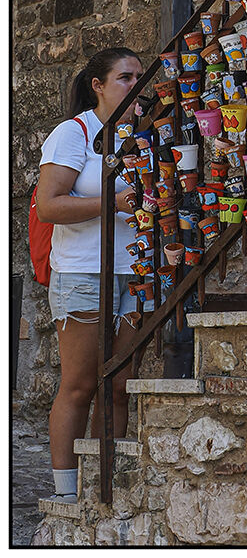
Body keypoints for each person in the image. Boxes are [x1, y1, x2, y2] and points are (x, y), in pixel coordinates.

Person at [36, 47, 144, 502]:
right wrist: (112, 204)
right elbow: (48, 205)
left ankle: (107, 482)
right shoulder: (73, 134)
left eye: (141, 76)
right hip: (82, 272)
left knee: (119, 385)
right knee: (80, 384)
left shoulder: (144, 136)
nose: (136, 84)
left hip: (134, 271)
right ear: (98, 85)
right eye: (125, 77)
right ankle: (65, 491)